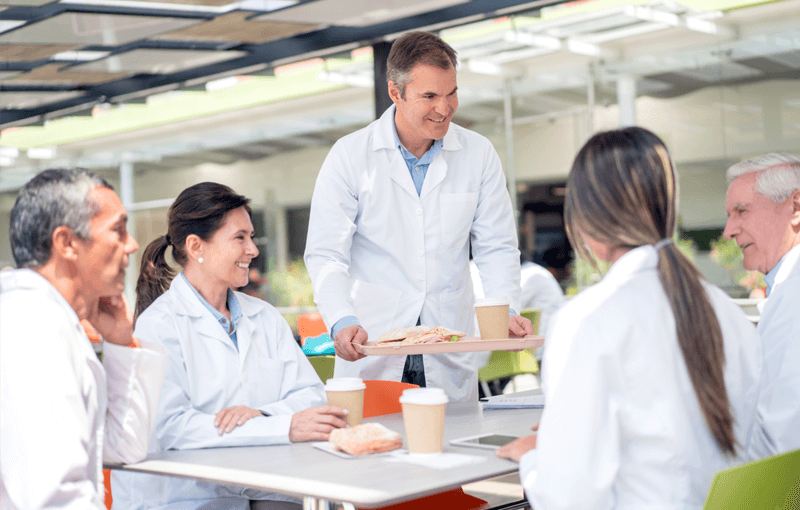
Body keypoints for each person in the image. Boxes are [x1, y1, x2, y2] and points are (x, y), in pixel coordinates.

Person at [496, 128, 763, 509]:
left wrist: (535, 459)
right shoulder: (725, 311)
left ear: (585, 219)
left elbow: (568, 498)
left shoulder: (588, 319)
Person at [304, 31, 531, 402]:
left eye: (452, 92)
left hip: (449, 343)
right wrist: (342, 319)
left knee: (456, 448)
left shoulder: (478, 154)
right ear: (396, 92)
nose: (444, 108)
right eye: (429, 96)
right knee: (380, 449)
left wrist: (504, 308)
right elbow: (326, 254)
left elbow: (497, 248)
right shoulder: (349, 156)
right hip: (375, 341)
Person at [111, 182, 347, 510]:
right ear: (196, 247)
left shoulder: (264, 317)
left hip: (263, 482)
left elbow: (310, 396)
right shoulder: (158, 326)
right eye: (240, 238)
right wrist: (283, 425)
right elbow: (174, 428)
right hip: (188, 494)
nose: (253, 249)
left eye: (251, 236)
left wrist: (261, 413)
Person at [0, 168, 167, 509]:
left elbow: (123, 446)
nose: (132, 245)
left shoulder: (55, 322)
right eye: (118, 231)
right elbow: (54, 499)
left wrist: (120, 341)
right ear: (66, 243)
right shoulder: (33, 328)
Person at [722, 153, 800, 455]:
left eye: (741, 211)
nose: (729, 230)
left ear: (795, 208)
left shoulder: (794, 293)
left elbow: (780, 443)